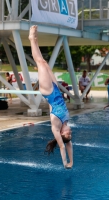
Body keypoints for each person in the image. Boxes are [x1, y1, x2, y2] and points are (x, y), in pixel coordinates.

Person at [29, 26, 73, 169]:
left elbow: (62, 146)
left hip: (48, 91)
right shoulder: (66, 120)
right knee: (45, 63)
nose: (70, 132)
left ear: (61, 133)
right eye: (70, 134)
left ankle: (32, 39)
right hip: (56, 90)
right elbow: (69, 145)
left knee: (40, 63)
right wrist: (72, 161)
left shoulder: (56, 127)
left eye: (68, 134)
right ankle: (35, 40)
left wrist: (65, 163)